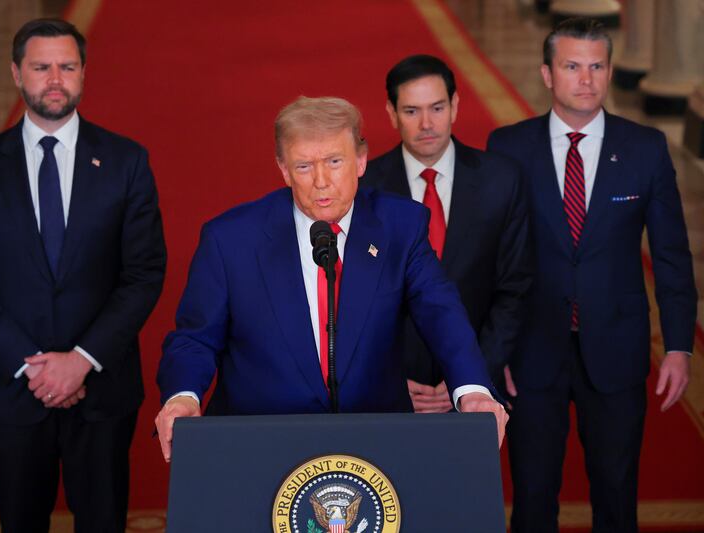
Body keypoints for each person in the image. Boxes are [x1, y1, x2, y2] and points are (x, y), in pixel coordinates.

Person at [154, 96, 508, 462]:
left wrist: (472, 389)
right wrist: (182, 397)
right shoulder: (230, 239)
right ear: (284, 169)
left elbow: (441, 313)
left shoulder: (401, 226)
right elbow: (195, 339)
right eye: (304, 166)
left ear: (360, 160)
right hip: (258, 446)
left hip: (374, 446)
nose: (321, 181)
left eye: (335, 162)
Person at [0, 18, 166, 533]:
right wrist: (36, 370)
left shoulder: (126, 161)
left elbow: (143, 272)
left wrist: (81, 361)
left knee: (103, 521)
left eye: (67, 67)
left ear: (84, 74)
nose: (54, 79)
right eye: (41, 67)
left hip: (103, 388)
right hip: (14, 388)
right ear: (16, 73)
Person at [486, 18, 697, 533]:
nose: (586, 79)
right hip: (532, 355)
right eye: (572, 66)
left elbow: (671, 254)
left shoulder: (645, 149)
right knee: (533, 498)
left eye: (597, 66)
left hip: (618, 350)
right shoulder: (508, 148)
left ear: (607, 72)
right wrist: (495, 353)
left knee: (617, 493)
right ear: (547, 74)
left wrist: (677, 346)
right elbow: (492, 259)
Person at [362, 54, 531, 413]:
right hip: (392, 391)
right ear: (391, 114)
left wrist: (471, 378)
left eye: (437, 108)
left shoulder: (502, 180)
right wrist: (387, 380)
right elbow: (353, 300)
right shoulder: (365, 191)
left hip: (477, 392)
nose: (426, 123)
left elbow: (514, 289)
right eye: (411, 111)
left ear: (455, 106)